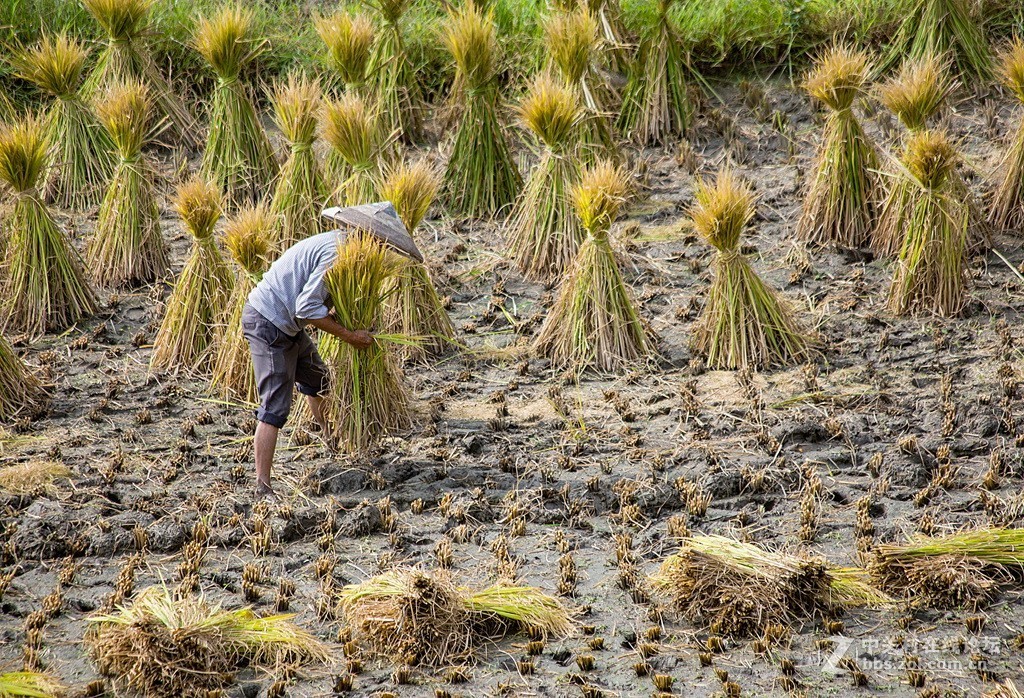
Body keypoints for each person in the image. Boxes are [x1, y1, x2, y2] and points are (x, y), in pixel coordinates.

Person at [243, 201, 413, 500]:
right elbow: (306, 308)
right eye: (382, 244)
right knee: (275, 406)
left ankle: (331, 440)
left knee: (318, 382)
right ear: (369, 237)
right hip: (269, 322)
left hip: (288, 324)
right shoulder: (337, 253)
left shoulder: (345, 249)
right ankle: (262, 486)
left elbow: (315, 303)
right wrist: (349, 336)